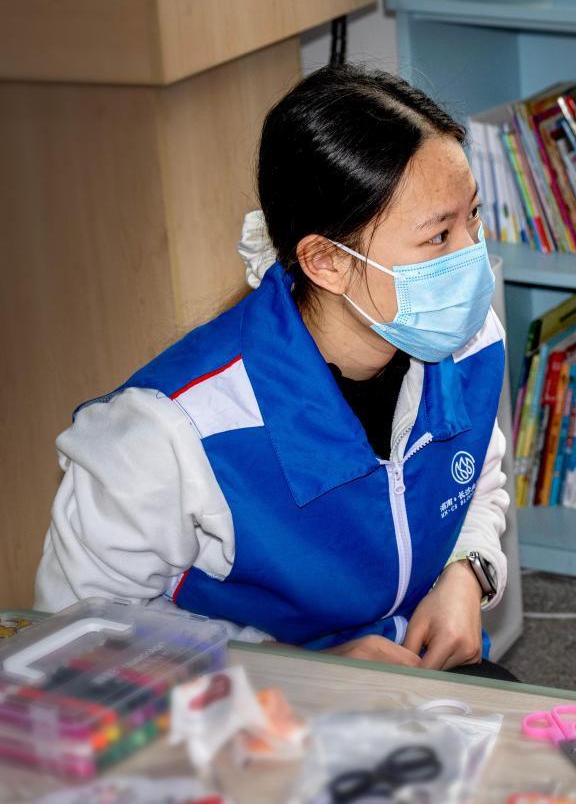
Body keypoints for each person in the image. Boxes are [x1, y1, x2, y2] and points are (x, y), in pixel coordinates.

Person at [36, 65, 513, 677]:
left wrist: (466, 571)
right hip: (231, 711)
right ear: (326, 261)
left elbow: (476, 482)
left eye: (472, 216)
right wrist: (296, 675)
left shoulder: (467, 341)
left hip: (414, 676)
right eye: (439, 236)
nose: (472, 256)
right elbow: (78, 641)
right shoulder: (169, 434)